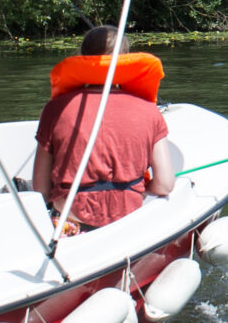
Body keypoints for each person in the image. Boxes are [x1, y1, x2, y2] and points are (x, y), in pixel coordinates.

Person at [31, 28, 178, 233]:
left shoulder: (55, 110)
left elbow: (41, 191)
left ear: (82, 58)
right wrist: (140, 191)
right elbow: (164, 184)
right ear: (126, 60)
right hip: (128, 219)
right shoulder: (149, 112)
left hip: (70, 222)